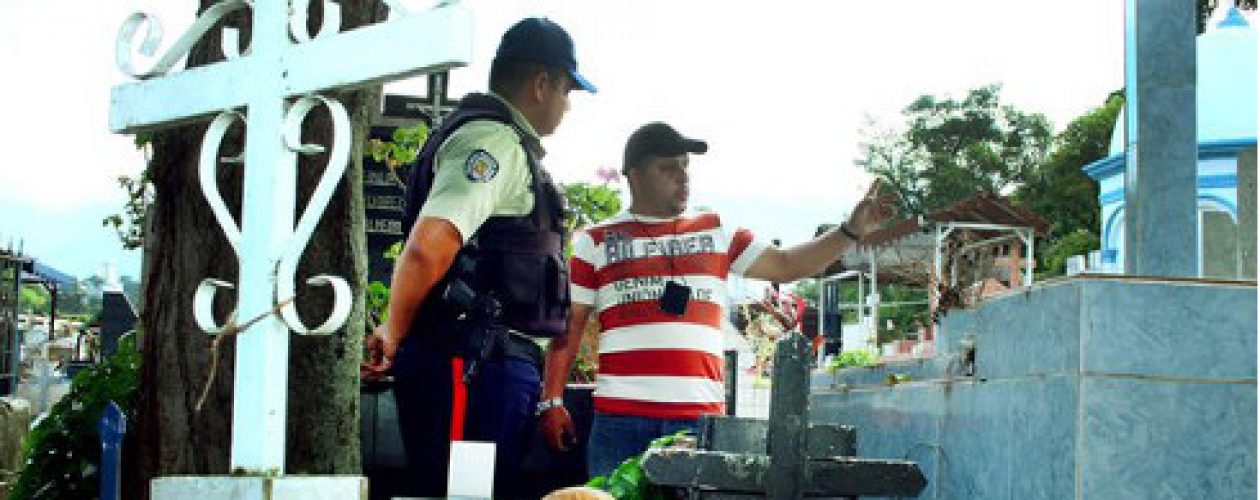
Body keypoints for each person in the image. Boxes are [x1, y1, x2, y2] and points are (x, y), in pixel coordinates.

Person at [537, 122, 892, 478]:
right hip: (619, 419)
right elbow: (570, 325)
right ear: (634, 175)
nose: (683, 177)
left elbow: (786, 266)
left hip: (697, 420)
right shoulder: (595, 241)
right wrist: (552, 400)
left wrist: (850, 231)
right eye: (668, 168)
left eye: (685, 166)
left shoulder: (716, 229)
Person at [363, 17, 596, 498]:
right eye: (567, 91)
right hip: (468, 359)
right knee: (461, 494)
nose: (567, 106)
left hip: (487, 363)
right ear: (542, 83)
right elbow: (428, 248)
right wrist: (394, 331)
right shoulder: (492, 143)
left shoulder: (508, 146)